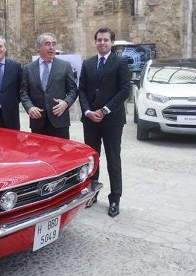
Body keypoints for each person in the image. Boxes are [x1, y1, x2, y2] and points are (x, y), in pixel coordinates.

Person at [78, 27, 131, 217]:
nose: (102, 43)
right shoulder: (88, 63)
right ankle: (92, 194)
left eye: (106, 40)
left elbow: (125, 90)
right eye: (99, 40)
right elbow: (81, 89)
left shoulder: (120, 62)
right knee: (93, 159)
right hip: (90, 120)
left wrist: (105, 109)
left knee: (113, 159)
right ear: (95, 42)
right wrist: (87, 111)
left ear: (111, 43)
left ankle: (115, 198)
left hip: (112, 120)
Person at [20, 33, 78, 139]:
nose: (52, 47)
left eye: (53, 44)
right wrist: (30, 107)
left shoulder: (65, 66)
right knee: (39, 154)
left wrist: (66, 102)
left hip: (59, 120)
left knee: (61, 154)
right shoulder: (28, 68)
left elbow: (73, 90)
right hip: (38, 121)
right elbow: (23, 92)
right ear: (39, 47)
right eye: (47, 44)